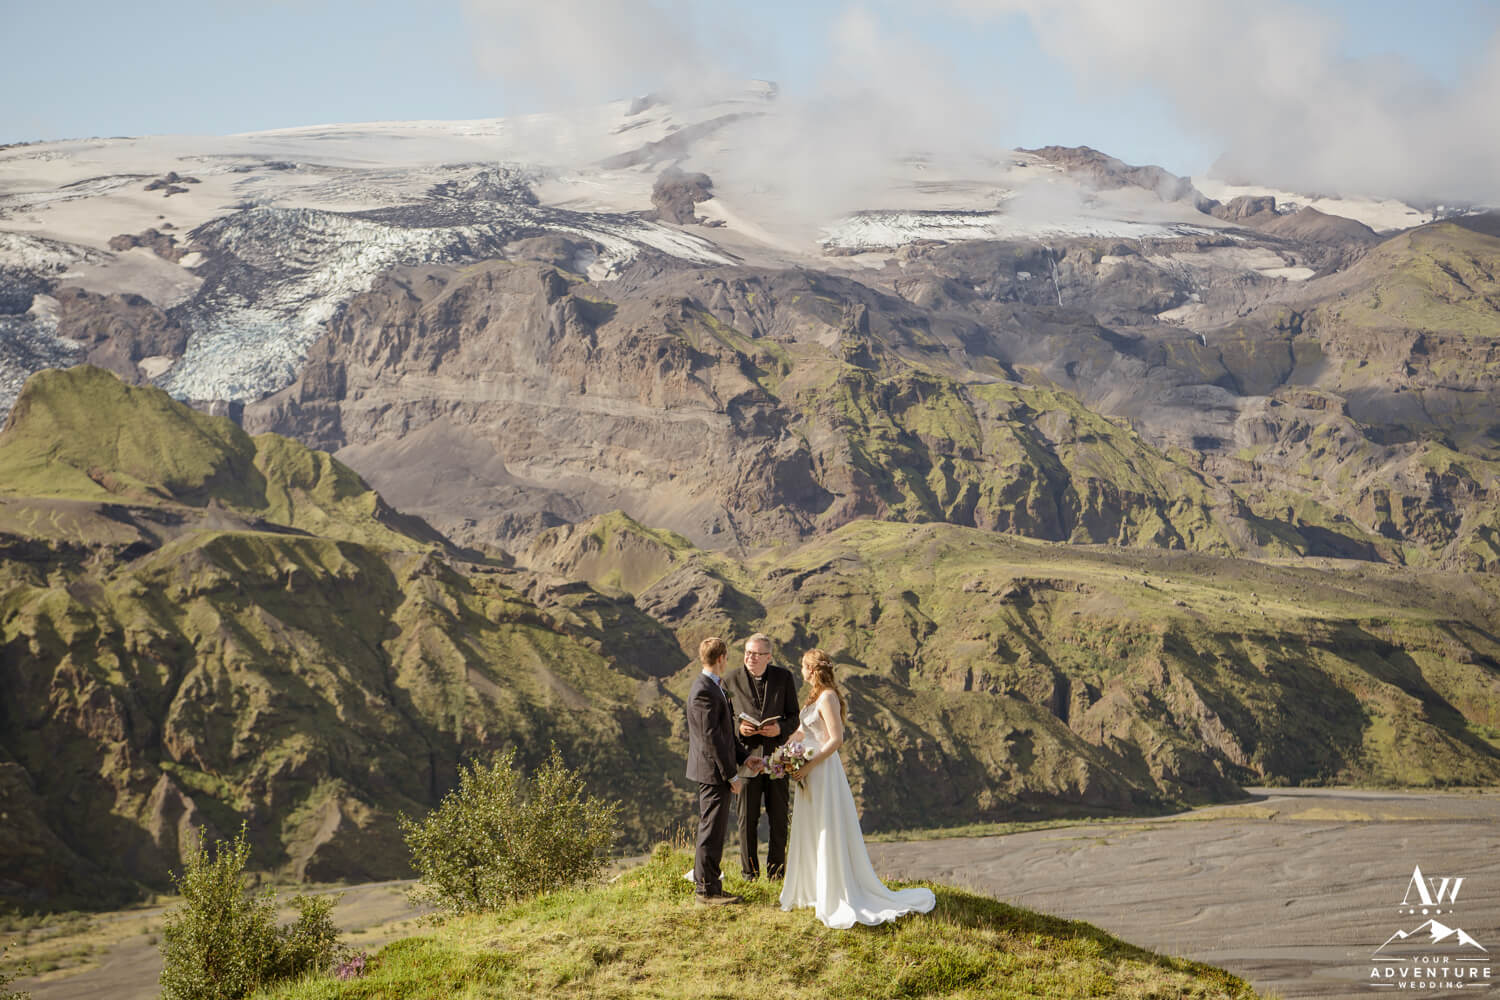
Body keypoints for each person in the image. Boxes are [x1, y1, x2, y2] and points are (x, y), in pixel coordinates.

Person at [780, 649, 936, 928]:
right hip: (809, 770)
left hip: (822, 770)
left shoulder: (827, 697)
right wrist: (785, 751)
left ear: (813, 671)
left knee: (826, 826)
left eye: (803, 666)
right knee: (812, 827)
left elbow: (836, 739)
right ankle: (813, 888)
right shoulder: (814, 697)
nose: (800, 670)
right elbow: (805, 731)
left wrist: (809, 764)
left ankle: (835, 890)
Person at [685, 636, 760, 904]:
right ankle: (706, 891)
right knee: (711, 829)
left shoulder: (714, 686)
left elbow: (725, 733)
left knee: (714, 829)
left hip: (717, 769)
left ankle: (712, 886)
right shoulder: (704, 690)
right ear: (721, 659)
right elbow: (711, 739)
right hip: (712, 772)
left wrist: (745, 757)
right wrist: (732, 775)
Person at [722, 632, 799, 880]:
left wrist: (780, 729)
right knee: (746, 821)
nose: (750, 657)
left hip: (777, 760)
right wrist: (739, 729)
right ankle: (749, 875)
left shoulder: (784, 677)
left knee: (778, 820)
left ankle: (777, 875)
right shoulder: (730, 680)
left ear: (768, 656)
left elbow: (794, 716)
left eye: (756, 654)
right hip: (745, 762)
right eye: (747, 652)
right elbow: (723, 720)